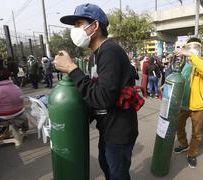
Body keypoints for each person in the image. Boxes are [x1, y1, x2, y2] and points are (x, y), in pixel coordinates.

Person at [54, 3, 144, 179]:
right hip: (107, 128)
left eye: (79, 24)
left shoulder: (110, 51)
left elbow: (103, 98)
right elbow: (95, 92)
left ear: (94, 26)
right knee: (107, 167)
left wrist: (72, 69)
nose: (75, 29)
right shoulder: (95, 55)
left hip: (119, 131)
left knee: (117, 174)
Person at [173, 37, 203, 168]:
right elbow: (181, 79)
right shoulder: (185, 65)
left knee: (196, 133)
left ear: (200, 49)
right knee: (179, 126)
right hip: (183, 104)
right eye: (189, 47)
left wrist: (190, 54)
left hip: (198, 105)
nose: (191, 50)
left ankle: (192, 154)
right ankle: (184, 144)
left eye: (195, 48)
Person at [0, 68, 26, 136]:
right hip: (19, 112)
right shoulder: (16, 87)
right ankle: (7, 133)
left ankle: (3, 134)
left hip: (4, 116)